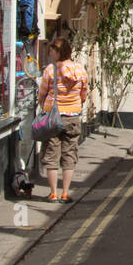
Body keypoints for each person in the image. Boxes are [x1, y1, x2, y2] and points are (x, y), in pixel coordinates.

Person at [38, 37, 89, 201]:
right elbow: (83, 94)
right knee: (69, 155)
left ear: (59, 52)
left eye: (52, 51)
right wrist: (74, 103)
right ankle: (65, 193)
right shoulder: (80, 70)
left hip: (53, 117)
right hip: (72, 117)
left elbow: (42, 94)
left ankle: (53, 193)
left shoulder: (50, 70)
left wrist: (43, 105)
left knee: (51, 155)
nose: (50, 53)